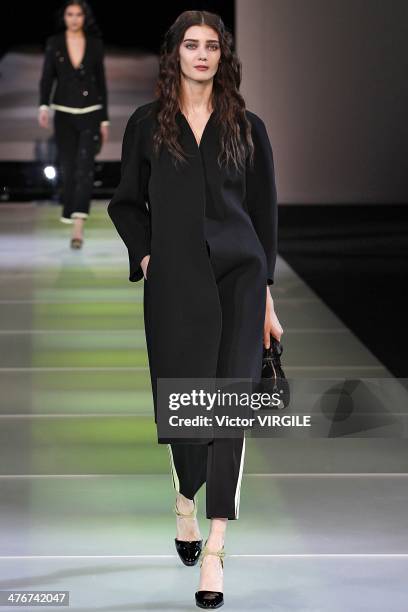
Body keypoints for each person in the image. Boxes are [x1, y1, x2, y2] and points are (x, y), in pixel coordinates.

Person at [108, 10, 283, 610]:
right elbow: (126, 204)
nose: (202, 55)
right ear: (175, 53)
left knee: (229, 409)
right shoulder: (146, 125)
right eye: (192, 45)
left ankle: (215, 547)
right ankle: (184, 498)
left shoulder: (248, 127)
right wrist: (149, 257)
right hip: (175, 285)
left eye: (212, 46)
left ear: (222, 56)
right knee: (186, 413)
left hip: (240, 279)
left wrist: (267, 297)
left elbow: (264, 218)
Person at [38, 0, 109, 249]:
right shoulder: (55, 43)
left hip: (91, 113)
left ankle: (78, 228)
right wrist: (43, 105)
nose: (75, 18)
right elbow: (47, 76)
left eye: (79, 14)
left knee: (85, 169)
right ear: (65, 17)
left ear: (84, 17)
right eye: (70, 14)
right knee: (68, 168)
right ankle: (72, 212)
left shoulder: (95, 44)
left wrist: (104, 119)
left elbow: (101, 81)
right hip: (64, 113)